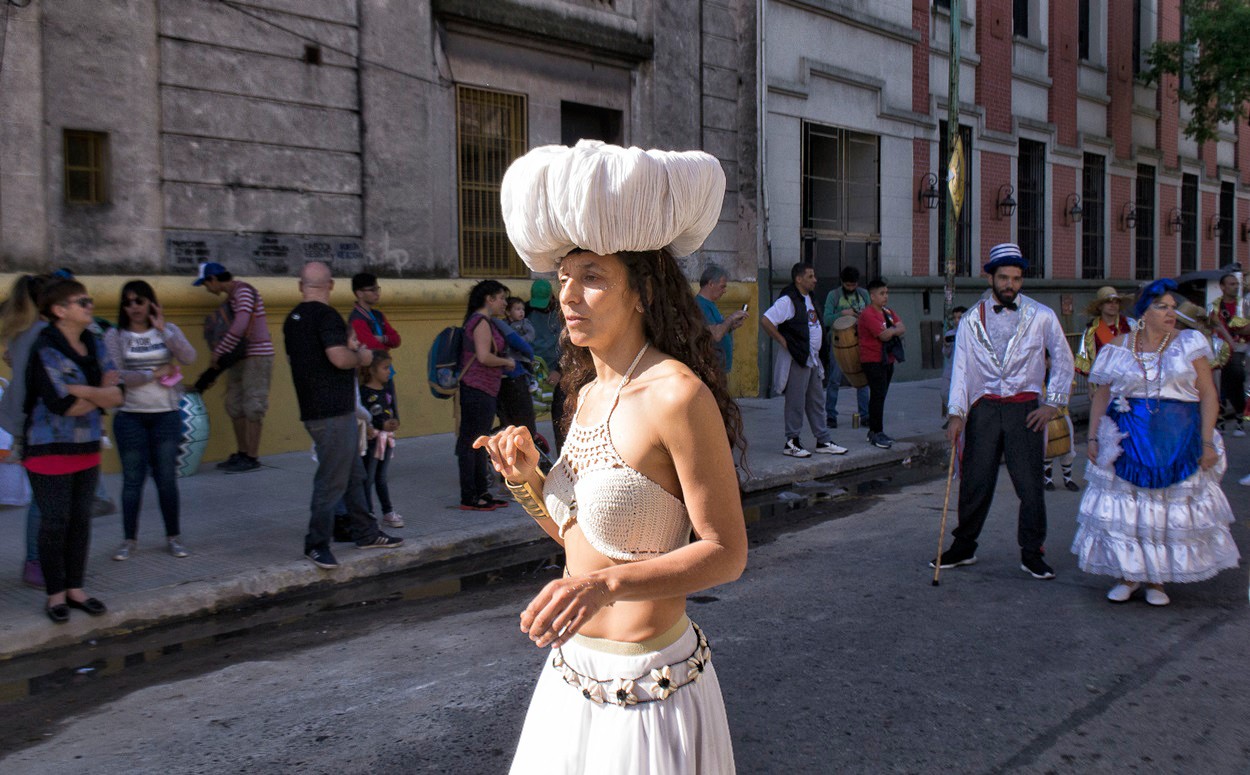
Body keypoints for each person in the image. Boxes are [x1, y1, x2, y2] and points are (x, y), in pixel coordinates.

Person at [488, 138, 746, 774]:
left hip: (648, 692)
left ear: (642, 293)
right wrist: (527, 483)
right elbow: (586, 543)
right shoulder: (586, 392)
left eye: (593, 277)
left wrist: (604, 587)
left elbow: (726, 553)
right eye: (563, 277)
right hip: (572, 683)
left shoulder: (677, 395)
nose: (568, 295)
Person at [1072, 279, 1239, 605]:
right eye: (1161, 306)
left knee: (1165, 509)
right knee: (1132, 512)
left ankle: (1157, 581)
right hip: (1128, 440)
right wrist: (1093, 437)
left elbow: (1208, 395)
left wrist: (1206, 443)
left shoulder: (1189, 343)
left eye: (1173, 307)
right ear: (1143, 311)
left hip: (1178, 438)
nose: (1170, 313)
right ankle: (1129, 575)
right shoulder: (1117, 347)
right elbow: (1101, 396)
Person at [934, 243, 1074, 580]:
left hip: (1024, 409)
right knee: (975, 481)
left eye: (1016, 278)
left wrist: (1052, 403)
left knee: (1030, 486)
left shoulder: (1041, 315)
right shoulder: (970, 320)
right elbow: (962, 369)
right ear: (991, 278)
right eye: (1004, 277)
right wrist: (956, 414)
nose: (1010, 284)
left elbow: (1064, 358)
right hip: (983, 409)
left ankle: (1031, 552)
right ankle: (964, 546)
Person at [283, 262, 403, 570]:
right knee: (332, 480)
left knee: (354, 475)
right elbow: (338, 358)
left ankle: (366, 532)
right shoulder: (327, 316)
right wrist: (361, 357)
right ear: (331, 285)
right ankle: (316, 544)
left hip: (315, 407)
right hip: (333, 409)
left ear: (301, 286)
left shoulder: (293, 319)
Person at [24, 278, 123, 623]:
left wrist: (84, 389)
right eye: (82, 301)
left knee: (80, 520)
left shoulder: (95, 343)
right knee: (55, 522)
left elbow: (118, 394)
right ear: (59, 310)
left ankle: (75, 589)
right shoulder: (44, 347)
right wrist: (97, 394)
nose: (90, 305)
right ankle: (55, 595)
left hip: (87, 445)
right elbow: (60, 403)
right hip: (48, 447)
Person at [103, 281, 198, 561]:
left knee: (167, 479)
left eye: (139, 301)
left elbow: (189, 357)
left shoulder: (168, 331)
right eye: (128, 302)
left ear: (151, 304)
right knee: (133, 480)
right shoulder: (115, 336)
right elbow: (117, 377)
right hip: (130, 417)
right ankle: (129, 540)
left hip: (165, 416)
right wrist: (153, 374)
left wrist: (164, 330)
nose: (134, 307)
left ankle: (174, 537)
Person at [761, 263, 848, 458]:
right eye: (810, 276)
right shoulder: (788, 300)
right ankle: (792, 442)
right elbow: (766, 320)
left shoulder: (811, 298)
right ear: (799, 279)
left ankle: (823, 440)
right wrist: (784, 342)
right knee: (795, 401)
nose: (815, 279)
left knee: (816, 400)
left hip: (812, 360)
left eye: (814, 275)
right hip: (797, 358)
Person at [194, 261, 274, 473]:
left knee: (254, 405)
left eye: (206, 284)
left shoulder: (243, 292)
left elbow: (240, 324)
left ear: (213, 280)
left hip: (256, 355)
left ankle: (252, 456)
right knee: (235, 404)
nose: (207, 289)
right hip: (240, 356)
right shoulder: (234, 295)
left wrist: (219, 351)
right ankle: (242, 452)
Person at [0, 274, 50, 588]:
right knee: (45, 500)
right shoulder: (44, 333)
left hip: (20, 423)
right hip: (40, 425)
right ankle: (36, 561)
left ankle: (36, 561)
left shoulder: (19, 332)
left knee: (42, 498)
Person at [456, 280, 515, 511]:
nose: (504, 303)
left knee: (479, 441)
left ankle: (482, 493)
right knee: (472, 442)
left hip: (485, 389)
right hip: (477, 389)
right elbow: (483, 357)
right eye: (501, 298)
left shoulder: (485, 321)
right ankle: (470, 497)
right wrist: (507, 362)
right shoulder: (480, 322)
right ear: (489, 299)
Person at [857, 278, 904, 449]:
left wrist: (890, 330)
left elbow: (902, 327)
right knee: (877, 395)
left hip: (887, 359)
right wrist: (893, 331)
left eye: (887, 293)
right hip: (872, 359)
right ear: (872, 296)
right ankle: (875, 432)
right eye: (882, 293)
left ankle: (877, 431)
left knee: (881, 395)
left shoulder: (887, 311)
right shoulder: (868, 314)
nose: (886, 297)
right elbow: (883, 335)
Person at [823, 265, 871, 428]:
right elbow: (826, 319)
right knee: (834, 379)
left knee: (862, 380)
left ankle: (865, 415)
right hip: (839, 343)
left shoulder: (864, 295)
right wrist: (842, 314)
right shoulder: (833, 295)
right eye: (848, 285)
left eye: (854, 285)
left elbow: (872, 316)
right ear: (842, 282)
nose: (851, 288)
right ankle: (831, 415)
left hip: (859, 341)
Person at [359, 350, 402, 528]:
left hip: (386, 440)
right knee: (367, 478)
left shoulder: (386, 391)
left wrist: (394, 422)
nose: (388, 372)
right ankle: (367, 512)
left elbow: (391, 409)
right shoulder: (364, 392)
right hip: (372, 440)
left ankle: (387, 511)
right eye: (385, 368)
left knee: (381, 477)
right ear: (372, 371)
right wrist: (377, 426)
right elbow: (365, 415)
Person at [526, 279, 566, 453]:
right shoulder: (525, 310)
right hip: (533, 375)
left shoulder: (562, 312)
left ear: (551, 297)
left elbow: (572, 345)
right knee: (526, 421)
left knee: (562, 422)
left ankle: (564, 465)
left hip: (558, 375)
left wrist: (559, 370)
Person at [1209, 272, 1249, 437]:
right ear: (1222, 287)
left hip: (1240, 348)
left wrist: (1234, 330)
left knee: (1236, 377)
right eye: (1231, 284)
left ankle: (1238, 418)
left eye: (1236, 284)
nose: (1235, 287)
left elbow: (1247, 328)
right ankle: (1223, 420)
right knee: (1220, 383)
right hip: (1219, 349)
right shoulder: (1213, 306)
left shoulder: (1244, 305)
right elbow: (1210, 327)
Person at [497, 296, 539, 440]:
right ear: (508, 312)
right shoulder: (502, 324)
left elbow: (531, 335)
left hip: (521, 358)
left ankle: (531, 380)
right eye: (517, 309)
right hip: (510, 362)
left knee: (528, 367)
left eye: (522, 309)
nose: (521, 312)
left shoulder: (524, 323)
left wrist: (520, 341)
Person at [695, 264, 747, 374]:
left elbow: (714, 329)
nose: (724, 291)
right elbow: (715, 335)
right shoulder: (700, 304)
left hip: (719, 368)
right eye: (722, 286)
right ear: (711, 284)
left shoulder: (710, 304)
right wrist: (731, 318)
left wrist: (731, 326)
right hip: (712, 369)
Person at [1074, 286, 1135, 377]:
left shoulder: (1131, 325)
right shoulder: (1090, 332)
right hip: (1101, 382)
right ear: (1100, 306)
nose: (1113, 305)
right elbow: (1087, 367)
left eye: (1116, 302)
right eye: (1108, 302)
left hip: (1127, 383)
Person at [348, 272, 402, 352]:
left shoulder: (378, 315)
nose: (377, 293)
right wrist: (387, 343)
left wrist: (382, 339)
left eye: (377, 289)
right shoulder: (357, 319)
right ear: (359, 293)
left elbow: (396, 340)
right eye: (372, 290)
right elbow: (372, 347)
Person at [940, 305, 967, 424]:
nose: (956, 320)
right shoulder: (950, 333)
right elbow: (946, 354)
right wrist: (946, 344)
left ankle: (958, 417)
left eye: (960, 317)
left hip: (964, 371)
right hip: (950, 370)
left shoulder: (970, 333)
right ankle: (952, 414)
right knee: (944, 393)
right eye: (955, 318)